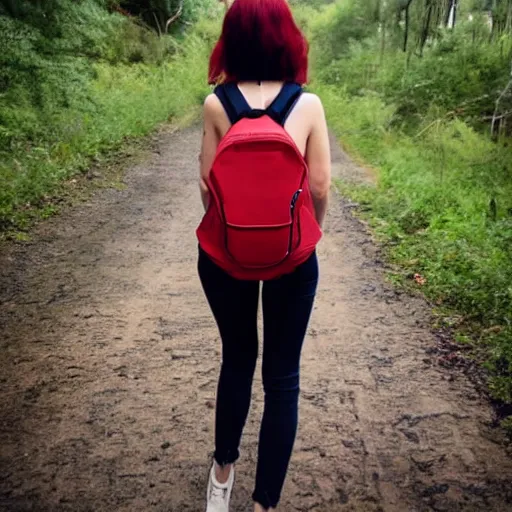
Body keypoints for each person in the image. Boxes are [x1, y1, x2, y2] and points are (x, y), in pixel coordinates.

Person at [197, 0, 331, 511]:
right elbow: (319, 187)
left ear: (232, 39)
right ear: (287, 38)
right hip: (291, 259)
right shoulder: (309, 105)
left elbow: (207, 188)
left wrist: (237, 230)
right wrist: (305, 235)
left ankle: (222, 475)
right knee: (282, 378)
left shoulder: (217, 104)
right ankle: (264, 504)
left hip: (226, 257)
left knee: (237, 358)